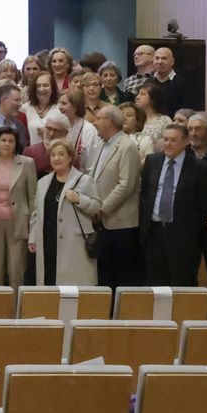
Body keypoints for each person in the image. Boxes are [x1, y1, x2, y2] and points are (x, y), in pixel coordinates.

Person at [139, 124, 207, 286]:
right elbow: (145, 194)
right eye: (165, 139)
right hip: (154, 232)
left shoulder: (200, 168)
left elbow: (204, 206)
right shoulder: (153, 161)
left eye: (173, 140)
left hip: (183, 236)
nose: (167, 144)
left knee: (182, 283)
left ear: (186, 141)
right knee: (155, 282)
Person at [29, 138, 103, 286]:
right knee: (48, 281)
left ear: (70, 157)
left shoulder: (84, 180)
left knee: (71, 286)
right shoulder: (42, 182)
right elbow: (36, 213)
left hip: (73, 243)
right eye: (53, 155)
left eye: (61, 154)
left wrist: (79, 199)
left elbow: (97, 206)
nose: (56, 158)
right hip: (47, 239)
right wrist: (33, 237)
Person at [86, 105, 143, 288]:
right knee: (104, 273)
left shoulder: (127, 146)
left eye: (98, 118)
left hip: (120, 222)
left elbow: (126, 185)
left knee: (122, 274)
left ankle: (122, 314)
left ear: (108, 121)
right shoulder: (102, 144)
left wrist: (102, 209)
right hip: (101, 221)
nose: (94, 122)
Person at [0, 127, 39, 286]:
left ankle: (16, 309)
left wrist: (33, 228)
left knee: (16, 271)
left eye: (11, 141)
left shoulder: (27, 163)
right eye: (3, 140)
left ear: (16, 144)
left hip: (18, 222)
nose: (7, 144)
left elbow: (33, 197)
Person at [57, 89, 102, 169]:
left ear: (75, 106)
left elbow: (92, 162)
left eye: (64, 104)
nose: (60, 107)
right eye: (59, 103)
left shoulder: (88, 130)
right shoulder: (59, 125)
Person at [0, 84, 30, 151]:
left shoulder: (20, 125)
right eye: (16, 100)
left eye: (20, 100)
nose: (20, 104)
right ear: (3, 100)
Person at [24, 111, 70, 177]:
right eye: (49, 128)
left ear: (65, 133)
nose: (51, 134)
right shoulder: (30, 152)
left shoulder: (70, 154)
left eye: (56, 131)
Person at [20, 72, 58, 147]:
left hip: (55, 154)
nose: (41, 89)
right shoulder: (25, 108)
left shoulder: (60, 108)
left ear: (52, 88)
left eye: (46, 85)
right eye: (38, 86)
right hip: (33, 154)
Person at [151, 47, 192, 115]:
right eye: (157, 58)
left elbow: (186, 112)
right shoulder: (147, 83)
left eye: (164, 58)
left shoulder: (184, 84)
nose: (160, 62)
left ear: (172, 61)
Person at [134, 81, 172, 148]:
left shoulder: (164, 120)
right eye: (138, 94)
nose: (137, 97)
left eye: (142, 94)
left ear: (153, 99)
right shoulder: (134, 119)